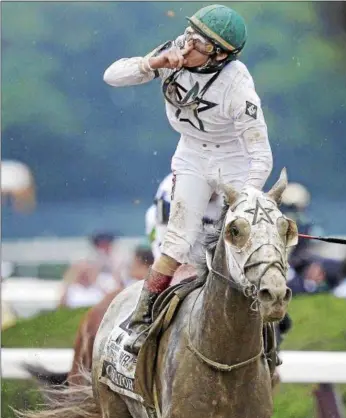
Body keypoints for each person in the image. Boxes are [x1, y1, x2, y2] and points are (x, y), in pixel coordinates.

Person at [104, 4, 273, 354]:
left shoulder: (237, 85)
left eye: (199, 41)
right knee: (177, 240)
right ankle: (141, 321)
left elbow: (262, 155)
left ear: (220, 55)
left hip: (233, 159)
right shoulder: (173, 50)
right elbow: (112, 76)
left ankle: (267, 325)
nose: (188, 43)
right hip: (193, 153)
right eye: (190, 33)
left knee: (243, 240)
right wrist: (153, 64)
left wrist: (248, 198)